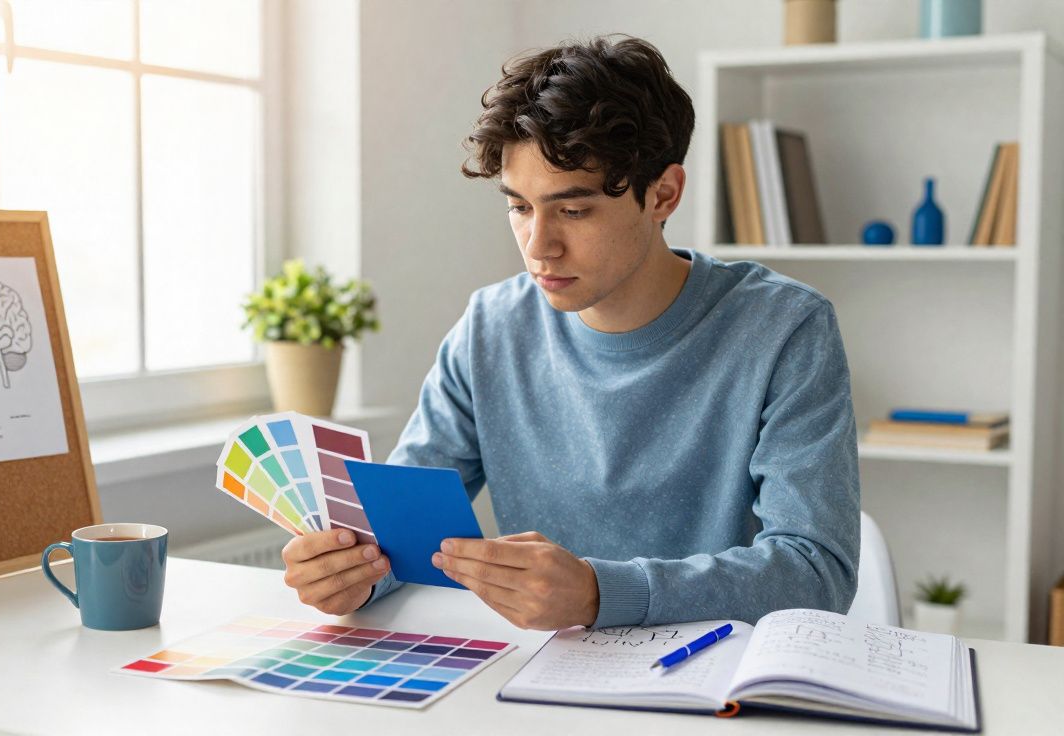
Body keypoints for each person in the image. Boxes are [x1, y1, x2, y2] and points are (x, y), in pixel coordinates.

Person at [281, 35, 859, 631]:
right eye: (520, 207)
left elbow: (817, 572)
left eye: (573, 210)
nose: (539, 247)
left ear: (663, 194)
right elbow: (400, 533)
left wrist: (602, 593)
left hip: (709, 686)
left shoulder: (785, 329)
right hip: (530, 685)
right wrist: (353, 576)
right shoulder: (489, 329)